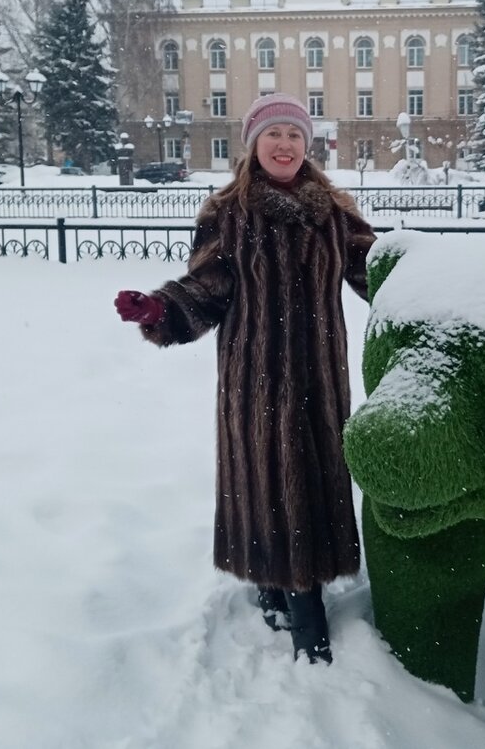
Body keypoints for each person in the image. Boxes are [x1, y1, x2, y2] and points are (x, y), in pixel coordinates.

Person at [114, 94, 375, 665]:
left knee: (313, 474)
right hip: (253, 375)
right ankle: (292, 597)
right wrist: (161, 310)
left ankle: (289, 585)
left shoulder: (334, 212)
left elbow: (375, 269)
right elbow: (208, 288)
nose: (284, 145)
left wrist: (430, 287)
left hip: (320, 374)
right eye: (273, 134)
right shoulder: (226, 213)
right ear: (253, 143)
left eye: (295, 135)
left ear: (309, 146)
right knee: (265, 478)